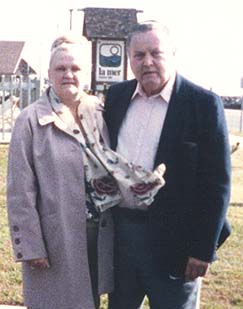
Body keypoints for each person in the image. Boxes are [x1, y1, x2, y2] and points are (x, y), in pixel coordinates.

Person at [7, 33, 166, 309]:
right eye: (61, 68)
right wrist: (31, 245)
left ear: (87, 72)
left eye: (75, 68)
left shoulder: (99, 112)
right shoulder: (30, 120)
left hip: (101, 233)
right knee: (54, 302)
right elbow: (20, 191)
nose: (68, 74)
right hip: (55, 238)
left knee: (87, 300)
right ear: (49, 72)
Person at [104, 20, 231, 309]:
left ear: (172, 55)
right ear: (129, 59)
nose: (147, 62)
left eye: (156, 53)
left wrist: (202, 250)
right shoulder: (116, 97)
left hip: (177, 245)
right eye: (139, 55)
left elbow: (217, 184)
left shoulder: (203, 104)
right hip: (122, 239)